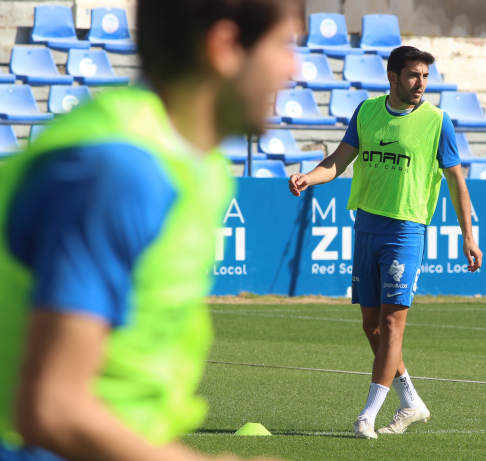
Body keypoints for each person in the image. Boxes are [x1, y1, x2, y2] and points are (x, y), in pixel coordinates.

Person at [0, 0, 296, 460]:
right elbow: (54, 408)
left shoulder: (198, 165)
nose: (294, 69)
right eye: (283, 45)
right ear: (224, 48)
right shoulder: (119, 170)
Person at [288, 45, 483, 439]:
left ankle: (368, 415)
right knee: (372, 326)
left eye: (425, 76)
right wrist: (309, 176)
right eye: (413, 75)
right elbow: (339, 160)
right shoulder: (366, 112)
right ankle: (411, 401)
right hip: (366, 226)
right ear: (392, 77)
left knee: (392, 325)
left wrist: (469, 235)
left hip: (405, 231)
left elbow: (456, 180)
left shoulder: (437, 121)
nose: (421, 83)